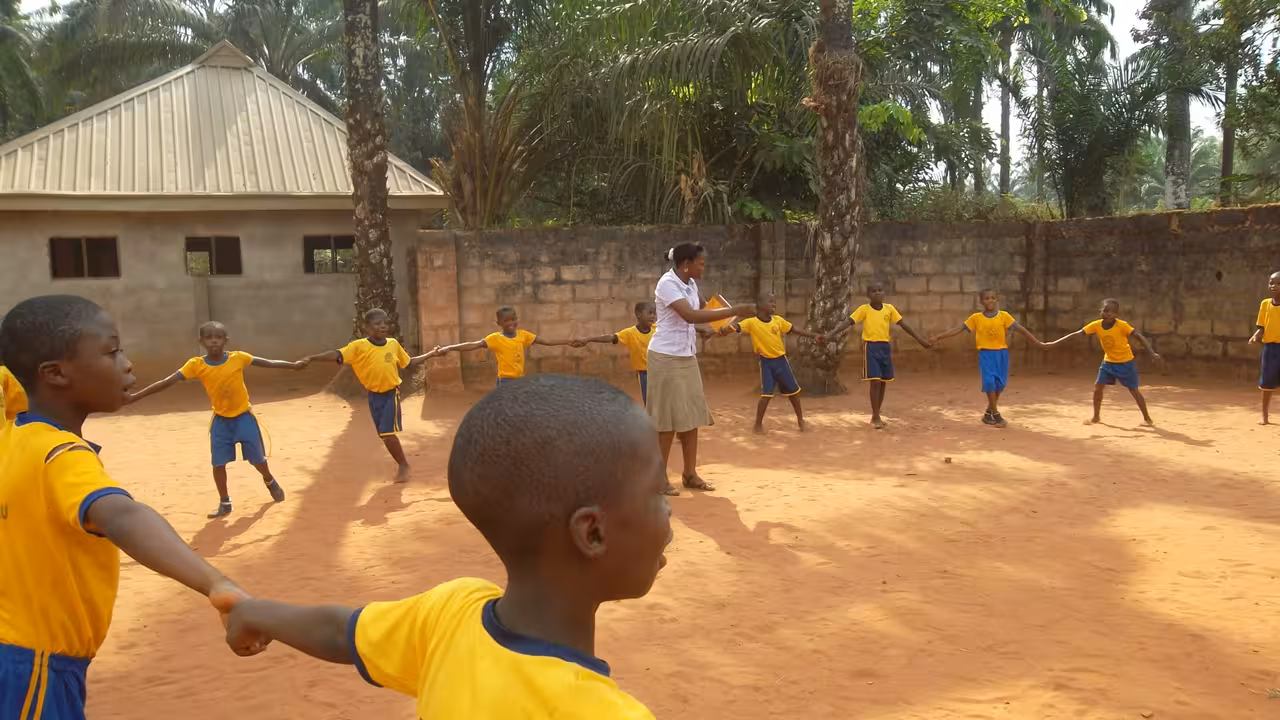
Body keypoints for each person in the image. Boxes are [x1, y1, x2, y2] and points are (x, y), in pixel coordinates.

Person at [222, 375, 669, 719]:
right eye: (657, 494)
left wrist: (254, 611)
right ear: (592, 533)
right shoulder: (604, 712)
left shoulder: (451, 613)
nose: (668, 515)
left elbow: (343, 633)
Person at [0, 295, 265, 720]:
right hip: (34, 669)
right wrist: (218, 584)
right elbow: (122, 515)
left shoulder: (14, 435)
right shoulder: (60, 454)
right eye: (111, 351)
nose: (126, 363)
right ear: (55, 374)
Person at [128, 321, 305, 518]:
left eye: (218, 337)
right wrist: (135, 397)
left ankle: (269, 480)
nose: (213, 341)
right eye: (209, 337)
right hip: (221, 422)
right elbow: (167, 381)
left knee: (257, 459)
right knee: (218, 464)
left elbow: (267, 362)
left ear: (225, 340)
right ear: (201, 341)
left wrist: (293, 366)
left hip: (244, 418)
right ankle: (225, 502)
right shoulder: (196, 365)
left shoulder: (238, 358)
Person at [647, 244, 752, 495]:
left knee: (691, 416)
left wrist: (719, 328)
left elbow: (705, 313)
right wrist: (735, 310)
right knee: (666, 421)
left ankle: (690, 474)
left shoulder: (690, 284)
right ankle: (659, 478)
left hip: (686, 356)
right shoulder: (667, 284)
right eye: (700, 263)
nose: (703, 267)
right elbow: (690, 316)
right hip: (665, 356)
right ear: (686, 263)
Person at [300, 308, 444, 480]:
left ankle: (404, 465)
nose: (383, 326)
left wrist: (431, 354)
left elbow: (409, 362)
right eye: (377, 323)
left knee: (386, 432)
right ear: (367, 327)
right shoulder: (359, 347)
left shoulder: (393, 344)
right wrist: (312, 358)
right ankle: (402, 463)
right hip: (374, 396)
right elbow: (336, 354)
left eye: (385, 322)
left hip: (392, 393)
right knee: (383, 435)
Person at [928, 289, 1047, 428]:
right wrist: (939, 337)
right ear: (981, 301)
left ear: (996, 300)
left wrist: (1038, 342)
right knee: (989, 382)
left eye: (992, 298)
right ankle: (996, 414)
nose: (989, 301)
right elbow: (958, 329)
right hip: (986, 354)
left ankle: (987, 414)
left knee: (1000, 385)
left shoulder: (1004, 316)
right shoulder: (976, 318)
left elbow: (1021, 329)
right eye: (986, 298)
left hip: (1002, 354)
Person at [824, 281, 931, 429]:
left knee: (882, 382)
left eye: (880, 290)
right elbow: (848, 322)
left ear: (884, 293)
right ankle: (875, 416)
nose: (878, 293)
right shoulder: (864, 309)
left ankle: (877, 413)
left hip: (884, 347)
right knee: (874, 381)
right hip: (871, 347)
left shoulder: (889, 309)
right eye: (874, 291)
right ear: (868, 295)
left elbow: (904, 325)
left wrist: (921, 340)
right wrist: (830, 334)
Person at [720, 291, 825, 433]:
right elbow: (736, 327)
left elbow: (794, 329)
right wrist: (725, 330)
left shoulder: (778, 321)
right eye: (770, 301)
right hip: (766, 363)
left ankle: (801, 421)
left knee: (794, 393)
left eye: (774, 301)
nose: (774, 304)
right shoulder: (751, 322)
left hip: (781, 362)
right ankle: (757, 425)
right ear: (760, 305)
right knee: (766, 395)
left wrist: (814, 336)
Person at [1045, 298, 1160, 425]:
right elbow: (1077, 334)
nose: (1108, 314)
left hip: (1125, 362)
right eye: (1105, 310)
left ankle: (1147, 418)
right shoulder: (1096, 325)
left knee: (1133, 390)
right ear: (1101, 312)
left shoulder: (1122, 325)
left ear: (1116, 315)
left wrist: (1151, 352)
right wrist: (1054, 343)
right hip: (1108, 362)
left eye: (1112, 312)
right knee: (1098, 388)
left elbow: (1138, 336)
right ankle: (1096, 417)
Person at [437, 306, 584, 385]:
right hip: (506, 380)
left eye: (513, 319)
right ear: (499, 323)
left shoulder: (523, 335)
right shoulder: (495, 338)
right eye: (507, 320)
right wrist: (450, 348)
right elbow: (472, 345)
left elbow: (546, 341)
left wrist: (568, 342)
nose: (511, 323)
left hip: (520, 379)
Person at [578, 301, 660, 405]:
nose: (653, 316)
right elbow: (611, 337)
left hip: (661, 371)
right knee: (649, 402)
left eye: (654, 313)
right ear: (638, 314)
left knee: (664, 400)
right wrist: (588, 339)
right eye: (650, 313)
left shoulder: (658, 329)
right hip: (644, 373)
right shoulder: (630, 333)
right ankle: (652, 420)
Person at [1248, 271, 1280, 424]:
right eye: (1271, 282)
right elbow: (1262, 326)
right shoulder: (1265, 304)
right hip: (1270, 348)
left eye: (1278, 283)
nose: (1274, 286)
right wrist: (1256, 335)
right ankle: (1264, 416)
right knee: (1266, 383)